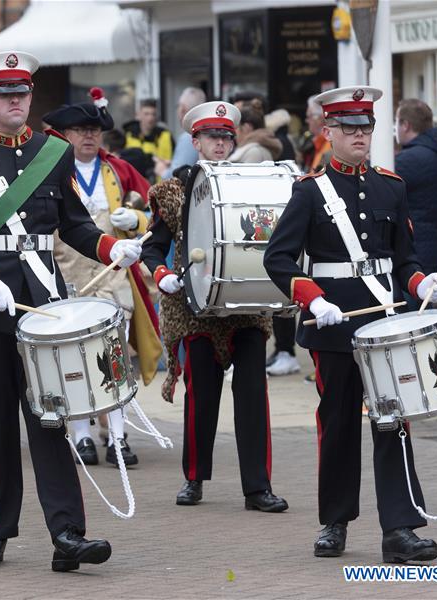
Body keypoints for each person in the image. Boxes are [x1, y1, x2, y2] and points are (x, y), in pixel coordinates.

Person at [0, 50, 144, 571]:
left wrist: (111, 248)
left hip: (42, 302)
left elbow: (72, 224)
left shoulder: (53, 151)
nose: (15, 102)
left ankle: (68, 533)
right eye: (4, 95)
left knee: (52, 417)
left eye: (21, 93)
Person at [263, 86, 437, 562]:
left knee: (394, 423)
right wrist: (312, 297)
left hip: (385, 321)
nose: (360, 135)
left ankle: (401, 528)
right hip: (335, 324)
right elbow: (279, 258)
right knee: (339, 423)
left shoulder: (392, 185)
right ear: (329, 133)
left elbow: (403, 259)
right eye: (349, 128)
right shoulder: (309, 192)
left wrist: (421, 281)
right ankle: (335, 521)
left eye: (365, 127)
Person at [141, 101, 289, 514]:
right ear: (196, 141)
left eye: (226, 137)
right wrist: (160, 272)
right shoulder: (174, 189)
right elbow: (153, 246)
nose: (221, 144)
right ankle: (194, 477)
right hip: (196, 304)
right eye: (212, 138)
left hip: (247, 302)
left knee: (252, 395)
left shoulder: (253, 182)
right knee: (201, 395)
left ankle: (257, 487)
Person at [42, 87, 161, 467]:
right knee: (71, 360)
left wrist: (137, 220)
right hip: (66, 275)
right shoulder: (49, 170)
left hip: (113, 280)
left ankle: (118, 436)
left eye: (94, 130)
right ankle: (80, 436)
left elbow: (158, 216)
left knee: (116, 359)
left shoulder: (119, 170)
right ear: (65, 134)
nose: (89, 136)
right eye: (80, 130)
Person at [265, 107, 302, 377]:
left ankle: (286, 351)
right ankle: (284, 350)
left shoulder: (265, 148)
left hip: (276, 218)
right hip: (277, 218)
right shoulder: (282, 142)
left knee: (282, 291)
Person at [394, 99, 437, 276]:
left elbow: (378, 181)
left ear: (406, 125)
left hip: (414, 253)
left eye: (396, 121)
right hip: (432, 246)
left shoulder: (411, 159)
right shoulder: (436, 153)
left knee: (412, 303)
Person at [163, 87, 207, 179]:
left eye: (178, 106)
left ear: (183, 109)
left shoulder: (189, 137)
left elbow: (176, 178)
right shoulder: (205, 132)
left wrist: (162, 171)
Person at [123, 98, 174, 169]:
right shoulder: (127, 135)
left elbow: (174, 162)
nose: (150, 118)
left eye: (153, 114)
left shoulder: (166, 135)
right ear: (138, 115)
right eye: (146, 114)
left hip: (162, 179)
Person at [300, 94, 331, 173]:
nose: (306, 120)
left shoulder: (330, 146)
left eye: (309, 116)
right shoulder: (316, 144)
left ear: (320, 119)